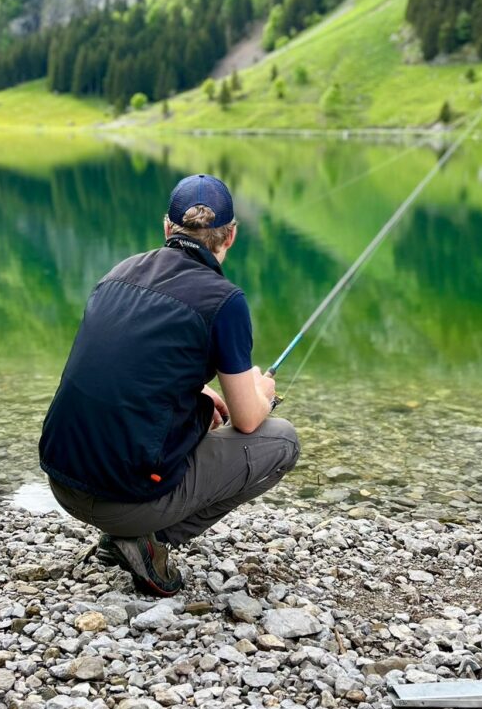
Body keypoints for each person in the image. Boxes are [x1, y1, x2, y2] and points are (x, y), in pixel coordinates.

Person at [39, 173, 300, 596]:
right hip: (123, 500)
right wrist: (262, 393)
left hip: (62, 480)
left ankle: (124, 536)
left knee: (205, 413)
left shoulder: (118, 273)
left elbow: (120, 372)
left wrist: (199, 391)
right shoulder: (224, 300)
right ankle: (148, 541)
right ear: (230, 236)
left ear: (167, 228)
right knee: (281, 440)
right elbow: (249, 420)